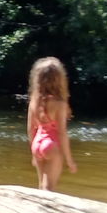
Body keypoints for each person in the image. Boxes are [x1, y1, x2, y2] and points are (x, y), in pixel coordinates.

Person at [27, 56, 78, 191]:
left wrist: (33, 153)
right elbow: (61, 133)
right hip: (51, 146)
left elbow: (30, 129)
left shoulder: (34, 101)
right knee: (49, 189)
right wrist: (69, 160)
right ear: (59, 79)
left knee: (41, 186)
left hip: (37, 144)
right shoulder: (59, 104)